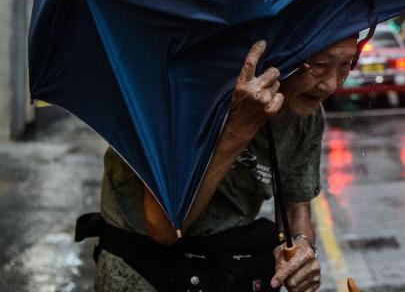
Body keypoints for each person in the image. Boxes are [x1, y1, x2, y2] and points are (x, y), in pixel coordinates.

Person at [93, 37, 359, 292]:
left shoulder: (306, 117)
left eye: (346, 65)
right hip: (137, 270)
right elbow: (164, 228)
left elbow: (295, 205)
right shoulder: (187, 93)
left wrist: (302, 246)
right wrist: (239, 128)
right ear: (283, 52)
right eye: (320, 66)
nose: (331, 85)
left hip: (222, 267)